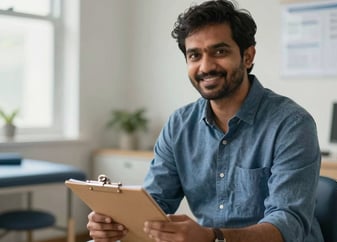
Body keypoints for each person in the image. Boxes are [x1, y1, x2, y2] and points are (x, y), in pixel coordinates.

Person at [87, 0, 324, 241]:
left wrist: (214, 237)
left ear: (247, 56)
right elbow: (155, 202)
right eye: (195, 55)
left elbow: (288, 223)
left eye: (219, 51)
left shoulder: (292, 124)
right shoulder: (179, 125)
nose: (206, 66)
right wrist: (117, 222)